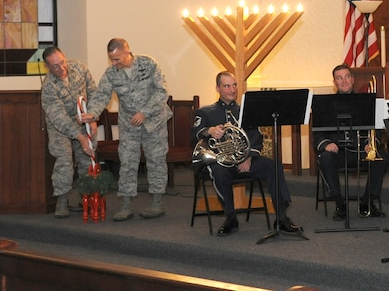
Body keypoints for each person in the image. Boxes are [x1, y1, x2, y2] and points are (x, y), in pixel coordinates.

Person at [191, 72, 302, 236]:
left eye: (234, 85)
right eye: (227, 86)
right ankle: (230, 218)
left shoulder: (245, 110)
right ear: (218, 88)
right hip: (221, 162)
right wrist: (209, 130)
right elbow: (193, 135)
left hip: (245, 160)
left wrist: (249, 156)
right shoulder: (205, 112)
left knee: (273, 166)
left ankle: (282, 217)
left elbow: (256, 136)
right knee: (219, 172)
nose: (232, 89)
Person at [80, 38, 171, 221]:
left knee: (156, 161)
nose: (114, 63)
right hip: (129, 124)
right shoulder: (111, 73)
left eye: (117, 59)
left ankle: (156, 203)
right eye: (111, 60)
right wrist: (92, 113)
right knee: (128, 162)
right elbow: (101, 95)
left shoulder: (148, 64)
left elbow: (162, 91)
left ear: (127, 52)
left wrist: (145, 112)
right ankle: (126, 205)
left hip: (154, 122)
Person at [314, 64, 387, 220]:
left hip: (361, 150)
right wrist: (326, 144)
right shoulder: (324, 104)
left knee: (381, 157)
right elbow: (317, 133)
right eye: (339, 78)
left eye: (347, 77)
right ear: (334, 82)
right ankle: (340, 205)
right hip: (337, 153)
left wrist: (371, 143)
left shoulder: (366, 102)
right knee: (325, 158)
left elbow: (376, 129)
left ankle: (366, 203)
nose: (344, 81)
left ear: (353, 80)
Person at [41, 46, 99, 218]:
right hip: (60, 126)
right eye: (55, 66)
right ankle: (62, 200)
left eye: (62, 62)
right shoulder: (49, 86)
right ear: (48, 67)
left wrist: (94, 118)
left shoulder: (79, 68)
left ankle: (87, 197)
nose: (61, 68)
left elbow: (93, 92)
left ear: (65, 57)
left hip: (84, 120)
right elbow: (58, 116)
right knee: (64, 161)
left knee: (87, 159)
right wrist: (80, 137)